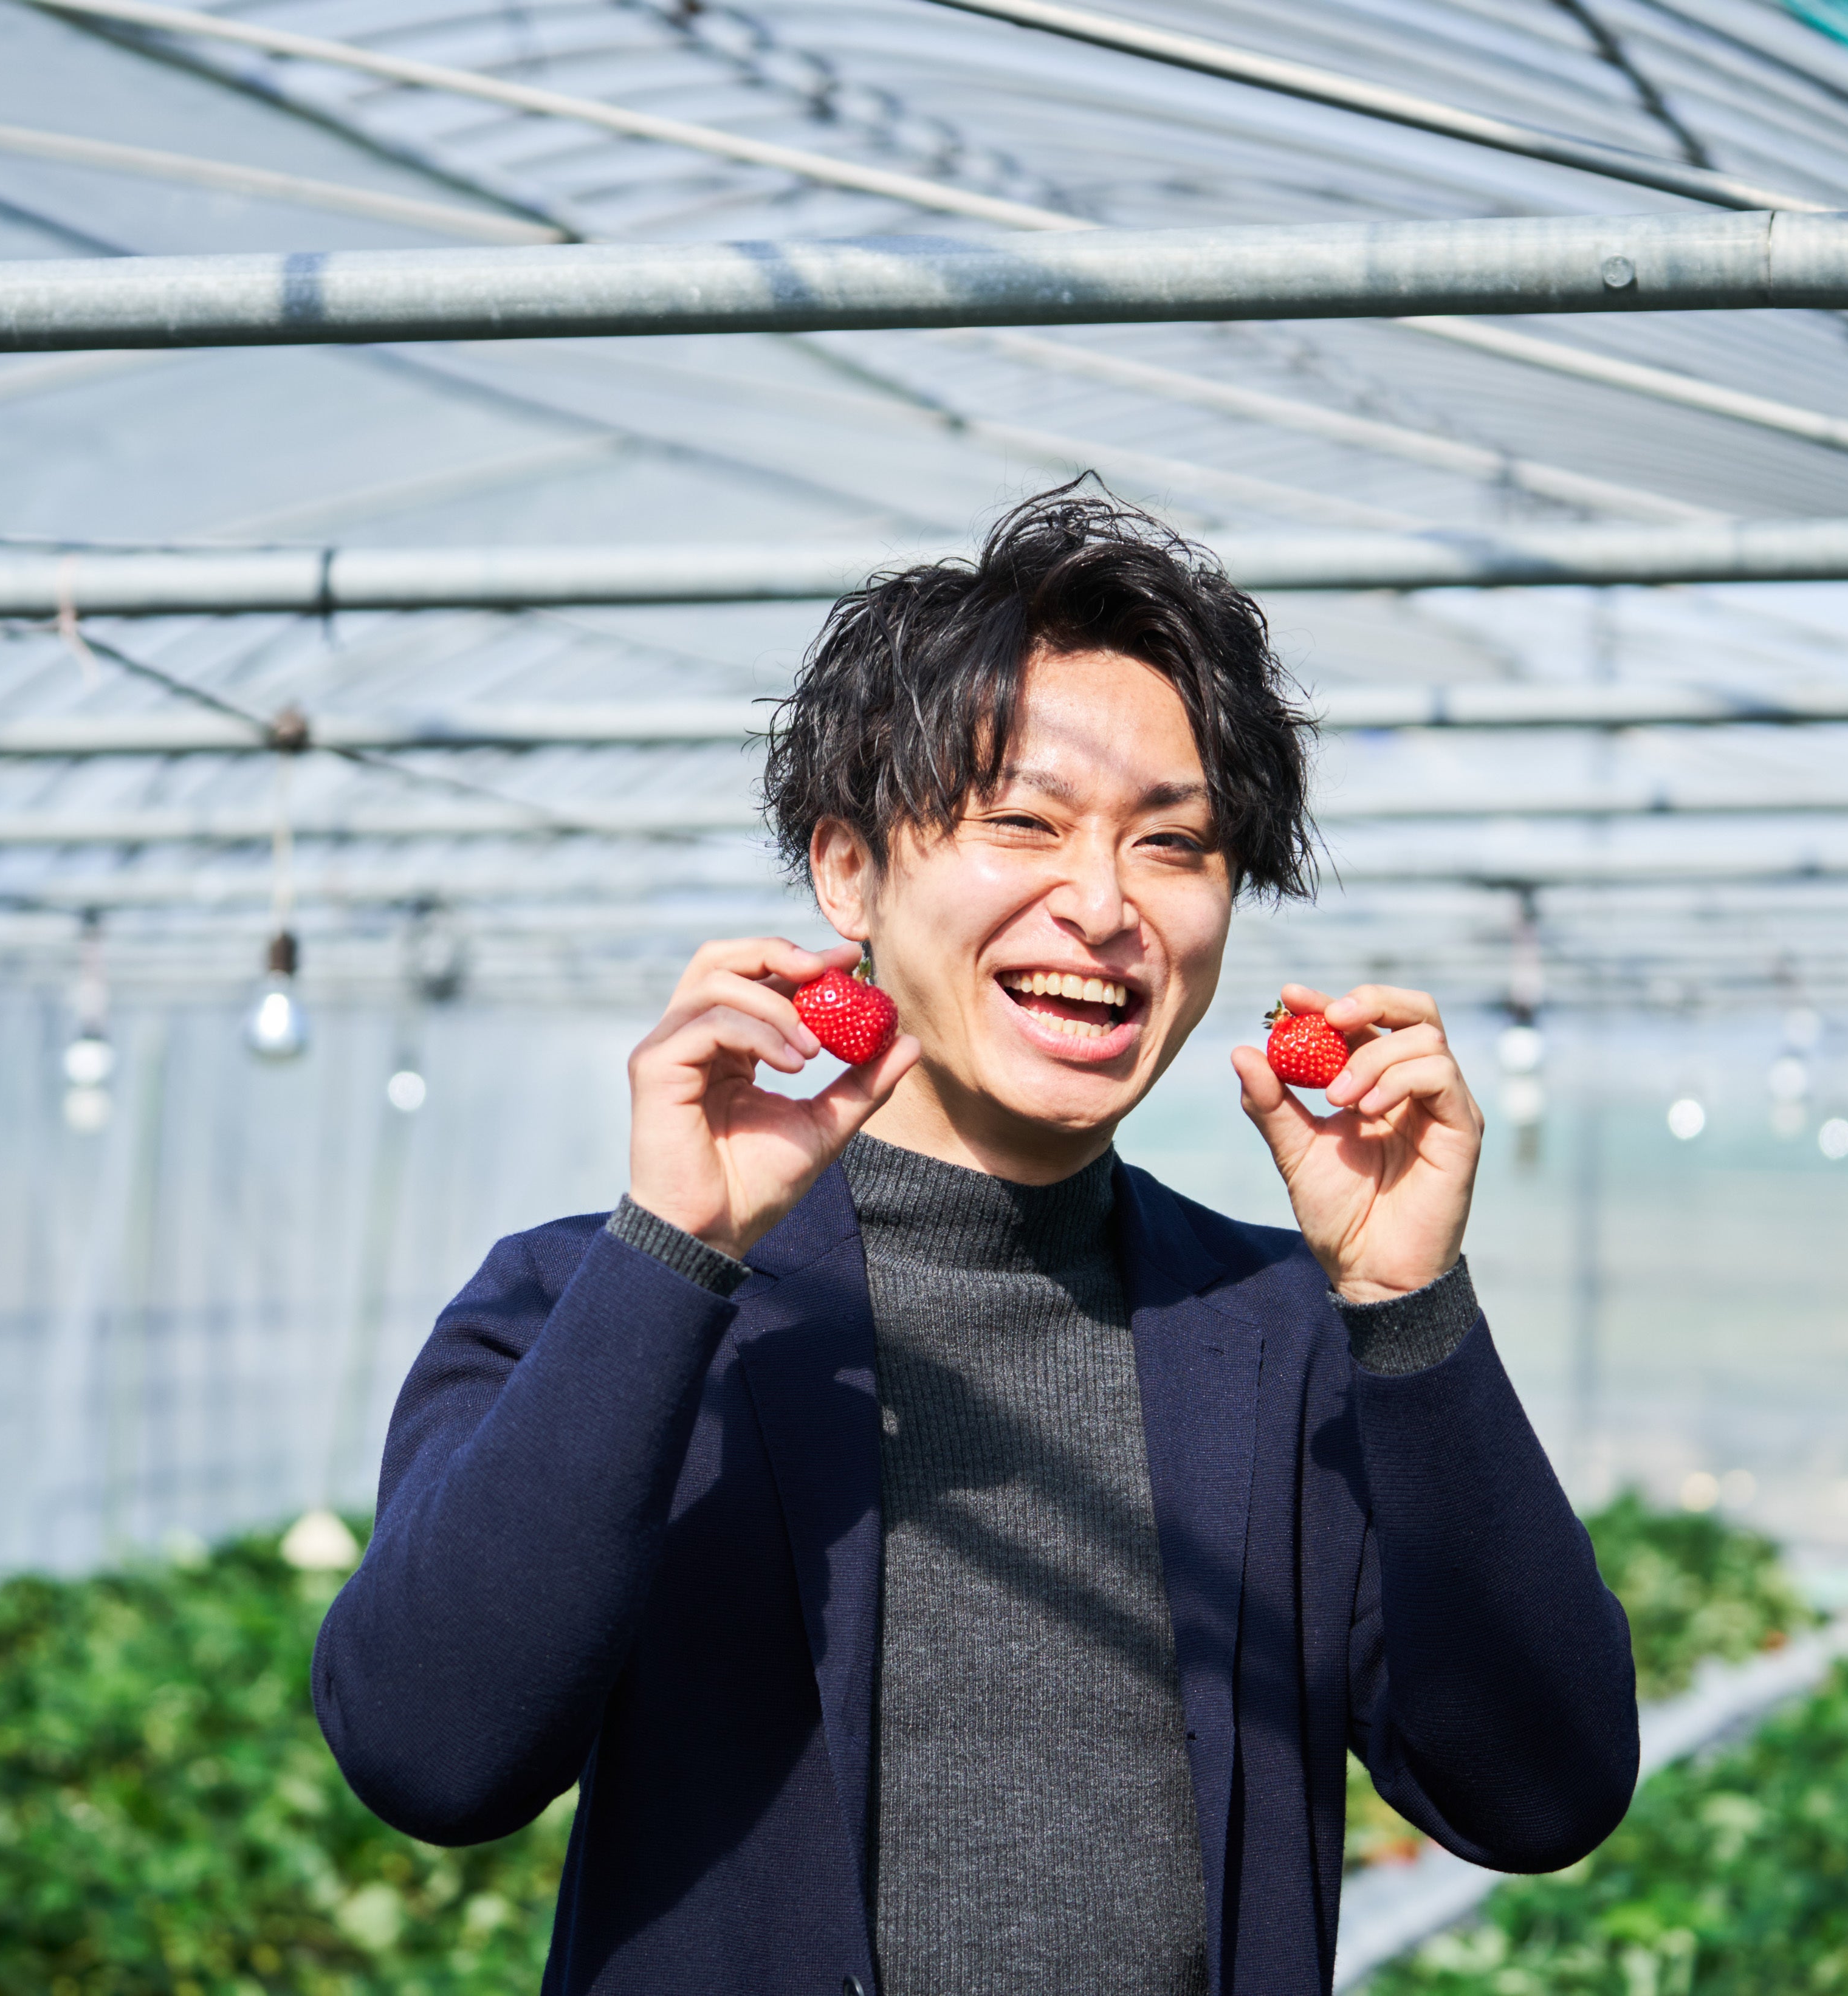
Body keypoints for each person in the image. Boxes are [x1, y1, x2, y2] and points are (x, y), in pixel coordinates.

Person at [312, 486, 1637, 1995]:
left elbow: (1539, 1792)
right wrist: (672, 1251)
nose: (1104, 904)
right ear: (847, 870)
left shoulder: (1289, 1333)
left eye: (1175, 842)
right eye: (1021, 820)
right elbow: (433, 1753)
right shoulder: (581, 1303)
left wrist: (1408, 1309)